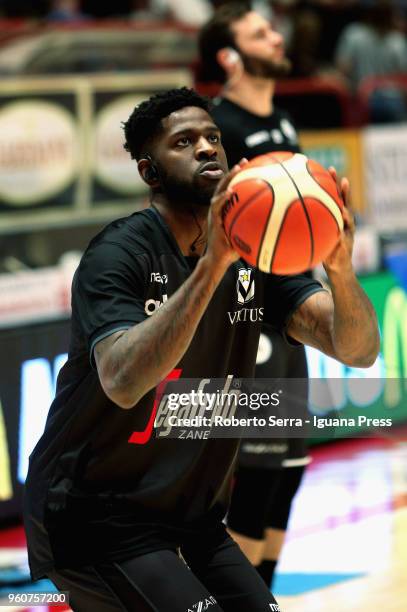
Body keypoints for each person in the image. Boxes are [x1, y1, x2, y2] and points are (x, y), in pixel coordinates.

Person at [23, 86, 379, 611]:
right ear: (150, 172)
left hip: (193, 519)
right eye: (184, 142)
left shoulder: (257, 256)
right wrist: (213, 265)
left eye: (213, 137)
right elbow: (122, 382)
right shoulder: (118, 255)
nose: (208, 148)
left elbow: (357, 350)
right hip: (94, 518)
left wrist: (341, 269)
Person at [198, 2, 335, 588]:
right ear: (229, 56)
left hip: (291, 308)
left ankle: (264, 595)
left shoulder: (280, 119)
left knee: (290, 471)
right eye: (259, 33)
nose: (276, 37)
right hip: (248, 314)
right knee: (254, 477)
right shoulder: (217, 127)